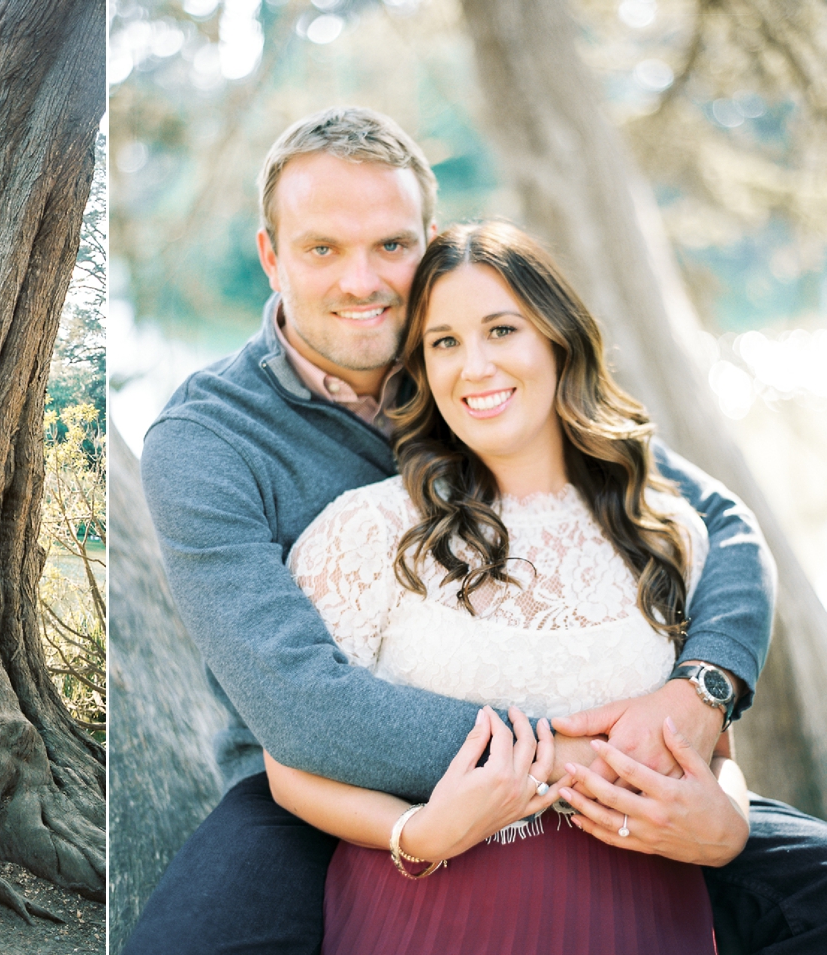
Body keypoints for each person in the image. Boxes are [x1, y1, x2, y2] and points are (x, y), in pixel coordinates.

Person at [128, 106, 827, 955]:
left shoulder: (493, 373)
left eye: (390, 245)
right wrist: (575, 762)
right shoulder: (206, 441)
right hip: (317, 784)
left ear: (428, 239)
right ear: (271, 255)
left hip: (612, 755)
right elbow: (298, 705)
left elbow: (717, 521)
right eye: (322, 249)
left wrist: (700, 690)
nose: (362, 281)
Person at [268, 220, 743, 952]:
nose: (476, 366)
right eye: (445, 342)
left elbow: (712, 750)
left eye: (500, 329)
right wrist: (414, 829)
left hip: (651, 920)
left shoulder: (667, 529)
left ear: (557, 339)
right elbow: (291, 761)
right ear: (423, 370)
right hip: (427, 920)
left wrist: (728, 825)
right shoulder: (369, 531)